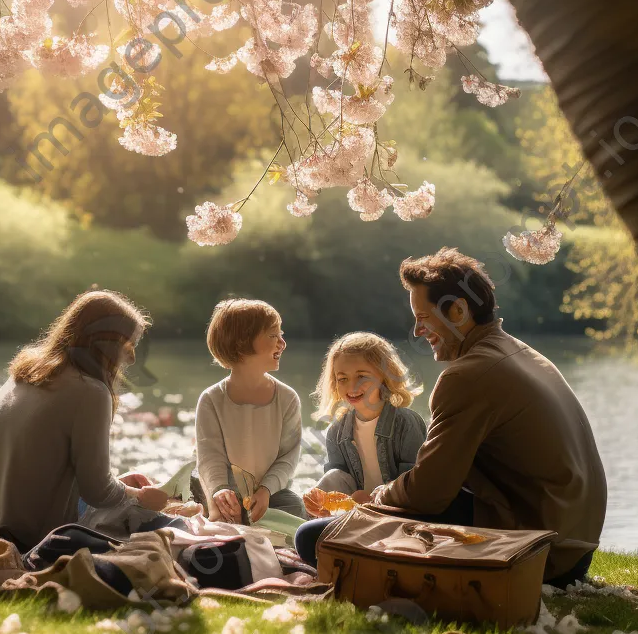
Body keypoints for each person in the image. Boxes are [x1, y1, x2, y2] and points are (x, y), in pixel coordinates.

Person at [299, 248, 608, 588]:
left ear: (458, 311)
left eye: (424, 317)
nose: (417, 331)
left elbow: (428, 493)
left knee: (313, 537)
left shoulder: (469, 374)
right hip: (573, 544)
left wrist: (374, 498)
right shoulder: (519, 352)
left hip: (538, 550)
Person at [0, 289, 171, 554]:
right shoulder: (90, 392)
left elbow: (53, 473)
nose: (131, 358)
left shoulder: (27, 369)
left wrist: (121, 484)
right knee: (161, 527)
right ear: (105, 343)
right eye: (128, 346)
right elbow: (98, 494)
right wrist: (139, 497)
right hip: (30, 537)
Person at [295, 332, 427, 561]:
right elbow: (337, 481)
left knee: (313, 540)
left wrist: (373, 498)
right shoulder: (337, 430)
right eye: (342, 378)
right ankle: (330, 538)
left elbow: (413, 485)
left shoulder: (406, 422)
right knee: (306, 529)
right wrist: (323, 502)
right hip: (355, 514)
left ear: (384, 376)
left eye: (362, 376)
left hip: (396, 513)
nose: (351, 386)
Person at [193, 298, 306, 523]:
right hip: (225, 492)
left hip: (271, 493)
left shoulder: (287, 398)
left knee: (294, 505)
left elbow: (288, 458)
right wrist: (219, 491)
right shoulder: (211, 399)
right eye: (273, 336)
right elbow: (210, 455)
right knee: (210, 503)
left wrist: (265, 490)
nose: (282, 343)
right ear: (242, 342)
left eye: (281, 335)